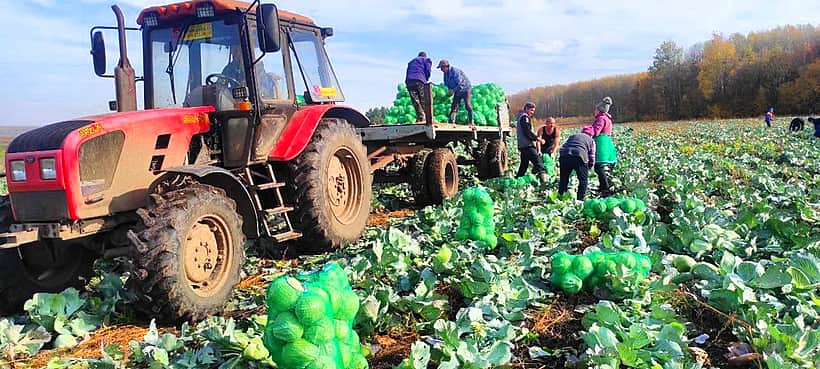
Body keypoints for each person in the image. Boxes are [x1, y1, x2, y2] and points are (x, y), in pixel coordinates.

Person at [588, 97, 617, 197]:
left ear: (599, 110)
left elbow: (596, 131)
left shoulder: (601, 119)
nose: (594, 111)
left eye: (595, 109)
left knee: (598, 167)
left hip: (601, 144)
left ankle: (605, 188)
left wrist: (587, 131)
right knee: (602, 167)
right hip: (607, 143)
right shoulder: (608, 119)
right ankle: (605, 186)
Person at [558, 126, 596, 200]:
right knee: (583, 180)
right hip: (579, 156)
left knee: (563, 178)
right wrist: (590, 165)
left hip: (565, 155)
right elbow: (592, 155)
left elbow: (563, 146)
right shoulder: (591, 140)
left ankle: (561, 196)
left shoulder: (573, 136)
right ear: (592, 134)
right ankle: (580, 199)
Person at [515, 102, 548, 182]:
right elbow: (527, 132)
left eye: (533, 110)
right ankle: (544, 183)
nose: (532, 112)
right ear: (526, 109)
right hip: (527, 145)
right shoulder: (524, 117)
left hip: (523, 145)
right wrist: (538, 139)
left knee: (524, 165)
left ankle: (517, 179)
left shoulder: (521, 116)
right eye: (531, 110)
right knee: (538, 163)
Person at [437, 60, 473, 125]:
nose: (441, 70)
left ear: (446, 66)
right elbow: (446, 84)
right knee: (454, 106)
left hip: (465, 88)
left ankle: (471, 121)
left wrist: (453, 90)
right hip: (457, 90)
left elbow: (460, 83)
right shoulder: (445, 74)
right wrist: (447, 91)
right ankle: (452, 122)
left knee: (467, 104)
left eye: (442, 68)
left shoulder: (455, 71)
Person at [405, 52, 433, 123]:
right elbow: (428, 70)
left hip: (409, 81)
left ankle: (420, 117)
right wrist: (426, 79)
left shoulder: (411, 62)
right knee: (423, 99)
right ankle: (426, 117)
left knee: (415, 100)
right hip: (419, 80)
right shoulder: (426, 60)